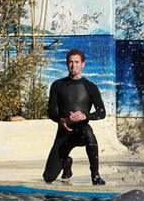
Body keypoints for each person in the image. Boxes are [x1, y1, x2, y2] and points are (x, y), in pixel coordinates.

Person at [42, 49, 107, 185]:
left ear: (83, 64)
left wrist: (85, 116)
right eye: (70, 62)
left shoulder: (90, 87)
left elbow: (101, 112)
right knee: (48, 177)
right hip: (64, 132)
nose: (73, 65)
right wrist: (60, 120)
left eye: (77, 62)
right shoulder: (57, 85)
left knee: (89, 135)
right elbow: (51, 110)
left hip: (81, 131)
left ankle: (95, 174)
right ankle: (66, 163)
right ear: (67, 64)